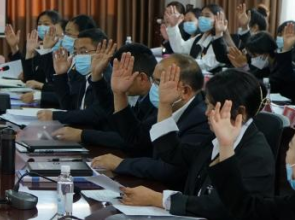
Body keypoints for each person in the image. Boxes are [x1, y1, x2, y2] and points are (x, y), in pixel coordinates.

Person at [116, 68, 276, 220]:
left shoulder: (256, 155)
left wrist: (158, 199)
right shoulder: (215, 138)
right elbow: (174, 153)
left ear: (240, 111)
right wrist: (165, 105)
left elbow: (219, 206)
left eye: (212, 107)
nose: (206, 113)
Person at [91, 53, 214, 189]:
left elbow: (171, 170)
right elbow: (136, 138)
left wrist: (121, 164)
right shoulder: (169, 106)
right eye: (153, 80)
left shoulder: (203, 119)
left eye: (159, 82)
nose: (152, 87)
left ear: (185, 91)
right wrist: (119, 94)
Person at [55, 43, 158, 152]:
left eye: (122, 75)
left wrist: (82, 135)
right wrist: (96, 76)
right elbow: (112, 112)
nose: (116, 79)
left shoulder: (157, 105)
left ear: (141, 78)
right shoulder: (140, 98)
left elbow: (132, 139)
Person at [36, 28, 112, 127]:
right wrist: (61, 75)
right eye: (76, 52)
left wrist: (54, 115)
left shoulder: (108, 79)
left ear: (102, 51)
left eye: (83, 51)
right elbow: (69, 107)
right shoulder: (83, 75)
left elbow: (94, 114)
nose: (78, 56)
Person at [162, 4, 229, 71]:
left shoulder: (220, 41)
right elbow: (180, 49)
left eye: (207, 16)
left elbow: (207, 64)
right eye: (201, 15)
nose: (202, 18)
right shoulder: (199, 38)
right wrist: (173, 26)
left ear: (219, 19)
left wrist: (183, 63)